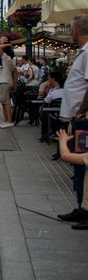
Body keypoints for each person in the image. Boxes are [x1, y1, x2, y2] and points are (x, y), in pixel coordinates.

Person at [57, 15, 88, 222]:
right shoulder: (82, 53)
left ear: (76, 31)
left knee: (82, 163)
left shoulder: (87, 53)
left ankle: (84, 209)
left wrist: (81, 111)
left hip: (83, 119)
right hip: (79, 118)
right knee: (79, 163)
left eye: (71, 30)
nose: (70, 34)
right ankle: (81, 206)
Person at [0, 37, 17, 128]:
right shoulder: (12, 59)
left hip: (4, 82)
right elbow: (15, 72)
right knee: (4, 102)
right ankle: (6, 120)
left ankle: (8, 121)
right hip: (8, 81)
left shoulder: (5, 58)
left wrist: (8, 43)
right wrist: (14, 83)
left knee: (6, 102)